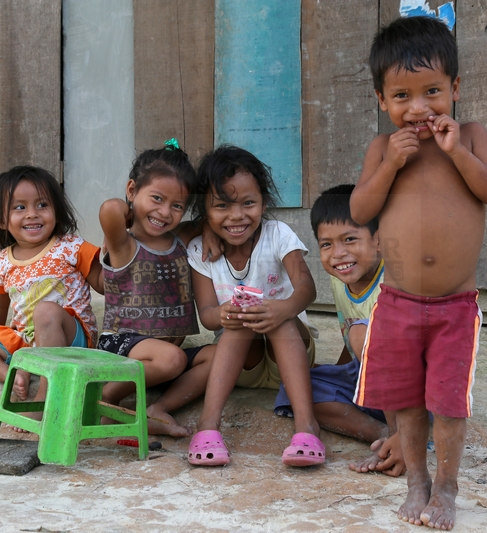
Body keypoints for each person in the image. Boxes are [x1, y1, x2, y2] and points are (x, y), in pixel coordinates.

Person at [350, 16, 487, 530]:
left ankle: (447, 489)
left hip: (455, 308)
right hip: (396, 303)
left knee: (447, 402)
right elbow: (359, 210)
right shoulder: (383, 149)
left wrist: (456, 150)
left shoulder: (472, 137)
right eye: (402, 96)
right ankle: (416, 481)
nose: (419, 108)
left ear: (455, 89)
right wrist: (391, 165)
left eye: (433, 92)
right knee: (405, 401)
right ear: (382, 100)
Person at [186, 145, 323, 467]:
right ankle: (208, 425)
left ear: (264, 202)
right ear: (205, 212)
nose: (237, 216)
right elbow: (207, 316)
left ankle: (307, 425)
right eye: (222, 206)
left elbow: (307, 287)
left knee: (280, 318)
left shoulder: (279, 235)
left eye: (249, 203)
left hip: (289, 353)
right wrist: (221, 314)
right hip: (241, 364)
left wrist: (284, 308)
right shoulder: (199, 251)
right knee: (238, 321)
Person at [273, 184, 405, 477]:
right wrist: (338, 373)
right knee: (297, 389)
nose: (338, 254)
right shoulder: (340, 278)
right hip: (369, 385)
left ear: (379, 240)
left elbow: (378, 344)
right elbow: (351, 334)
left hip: (410, 391)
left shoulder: (394, 282)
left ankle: (403, 436)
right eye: (327, 244)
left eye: (350, 239)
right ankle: (380, 433)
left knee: (362, 333)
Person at [0, 166, 103, 407]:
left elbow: (103, 285)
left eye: (42, 205)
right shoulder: (2, 261)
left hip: (70, 340)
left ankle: (45, 396)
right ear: (2, 220)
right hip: (26, 343)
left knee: (46, 310)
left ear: (56, 210)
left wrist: (115, 256)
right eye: (20, 207)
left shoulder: (71, 246)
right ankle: (12, 375)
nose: (32, 214)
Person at [97, 142, 217, 438]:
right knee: (172, 359)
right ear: (131, 190)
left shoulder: (179, 238)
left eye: (176, 206)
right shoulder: (124, 245)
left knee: (220, 356)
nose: (164, 212)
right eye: (156, 198)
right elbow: (110, 209)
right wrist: (128, 210)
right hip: (121, 347)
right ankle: (105, 401)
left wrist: (210, 230)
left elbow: (208, 220)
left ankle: (158, 409)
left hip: (163, 359)